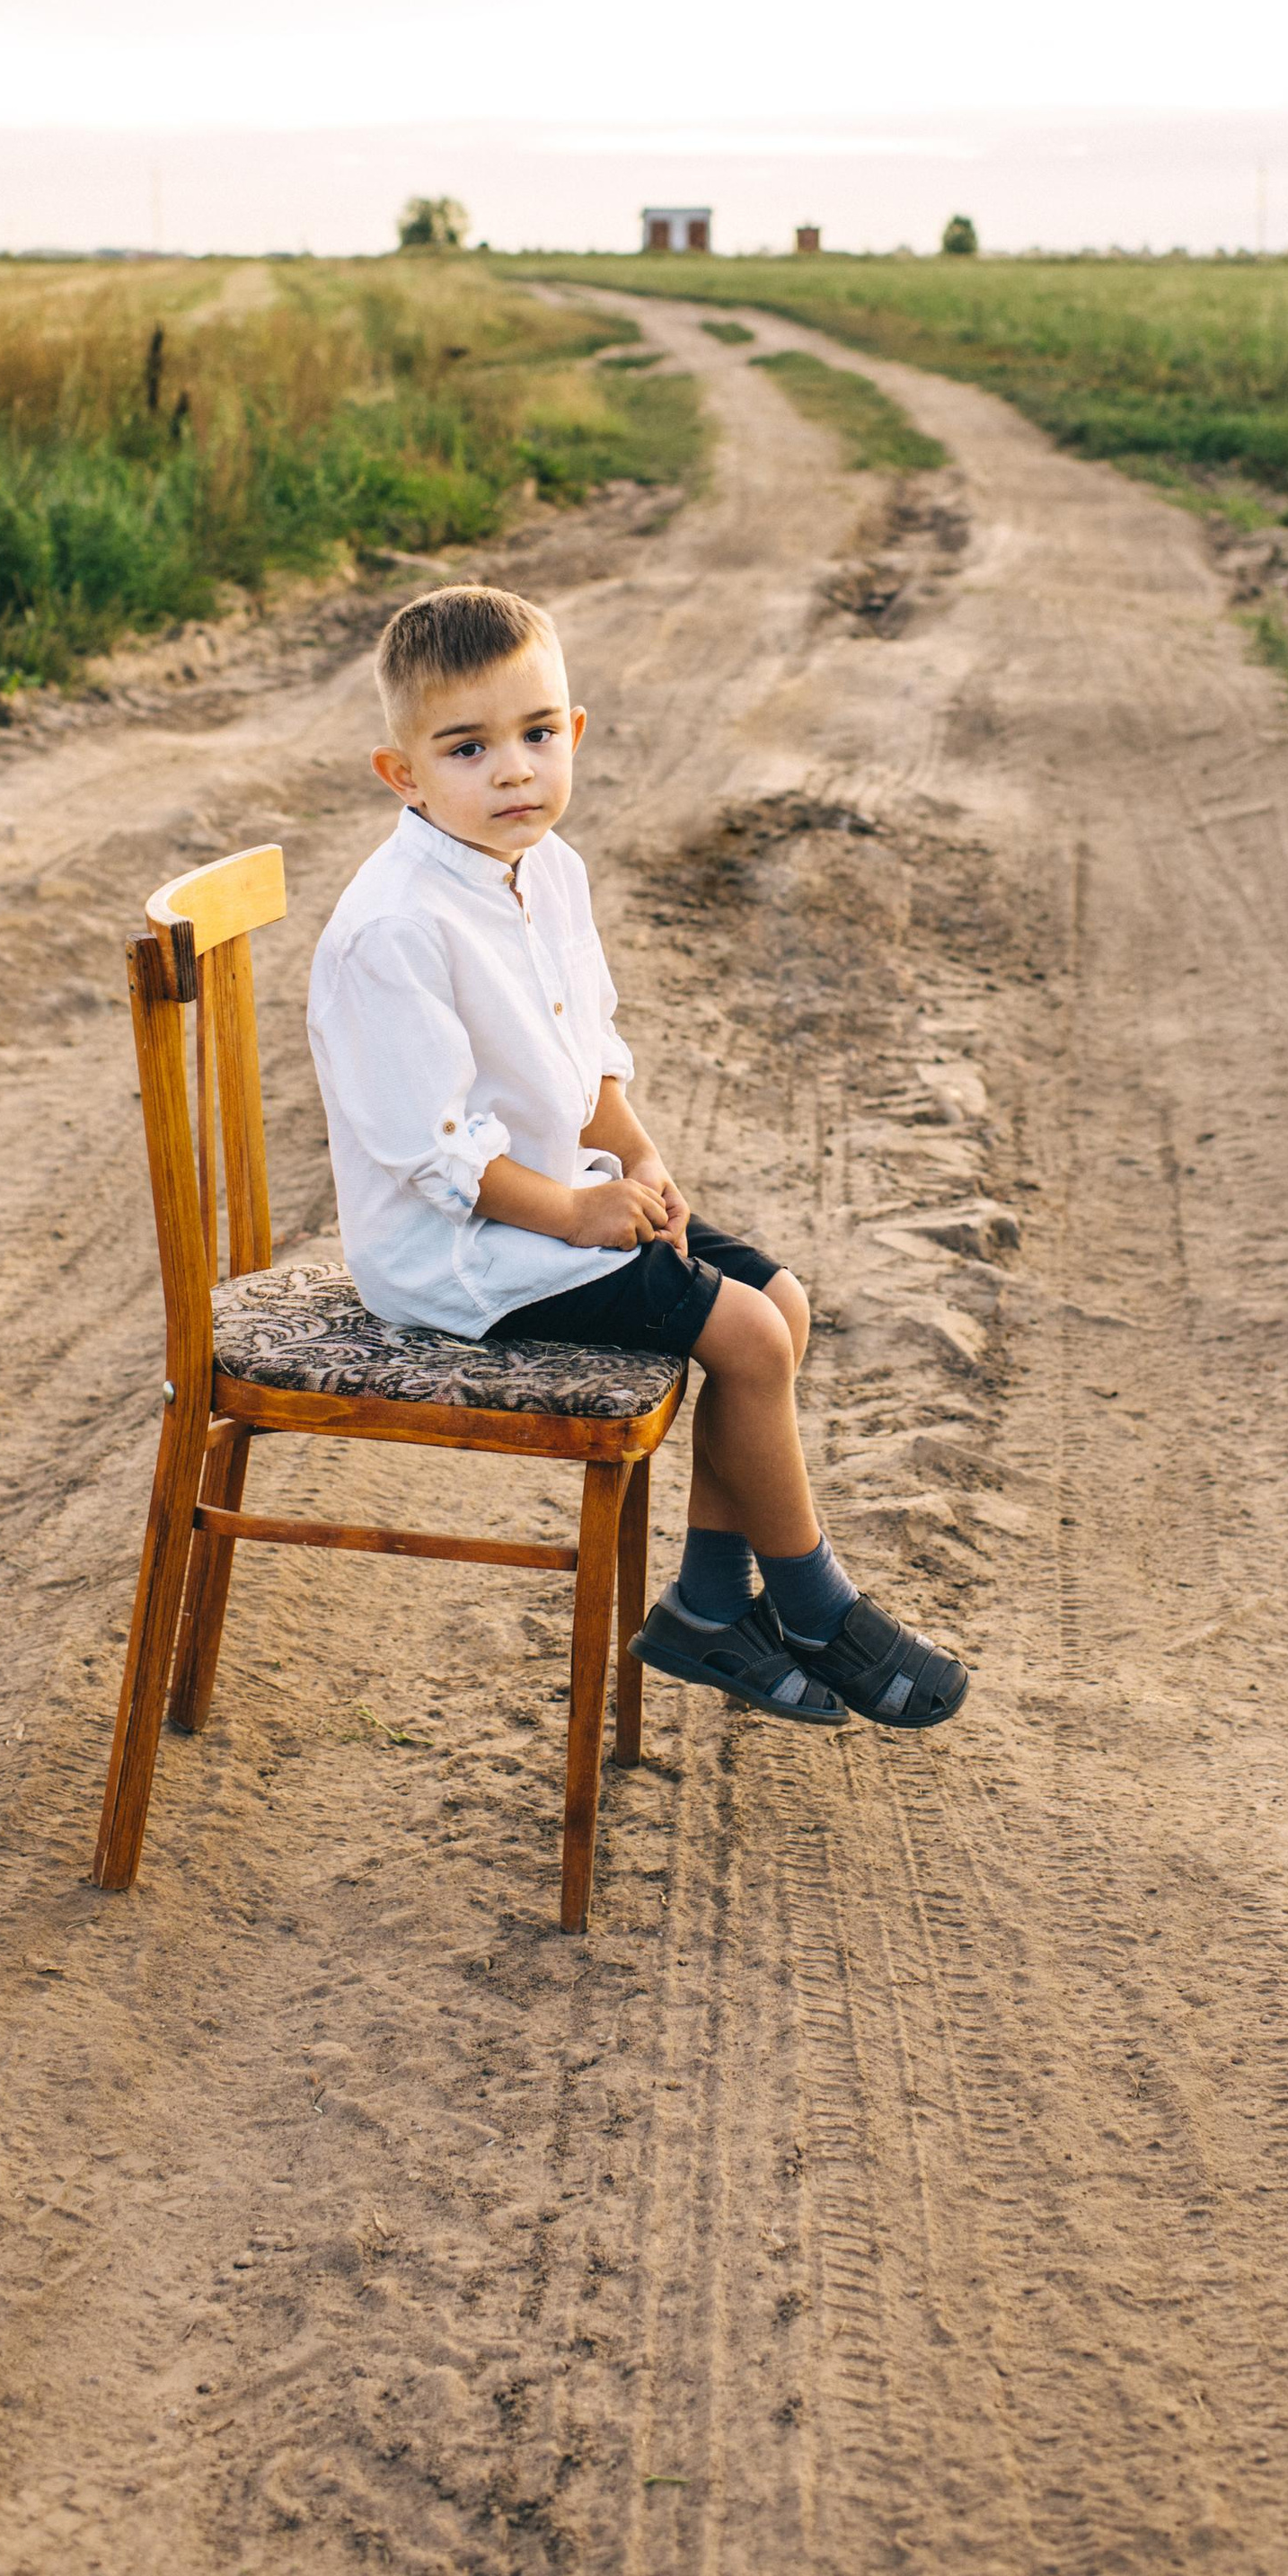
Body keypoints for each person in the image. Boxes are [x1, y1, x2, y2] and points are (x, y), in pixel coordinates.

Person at [305, 580, 969, 1733]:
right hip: (458, 1247)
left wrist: (638, 1155)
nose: (513, 771)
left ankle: (711, 1605)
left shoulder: (545, 866)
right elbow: (432, 1156)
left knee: (779, 1302)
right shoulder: (396, 925)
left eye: (536, 734)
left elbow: (582, 1047)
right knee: (749, 1337)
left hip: (552, 1199)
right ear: (402, 773)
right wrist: (571, 1214)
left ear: (575, 734)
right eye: (467, 749)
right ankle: (815, 1606)